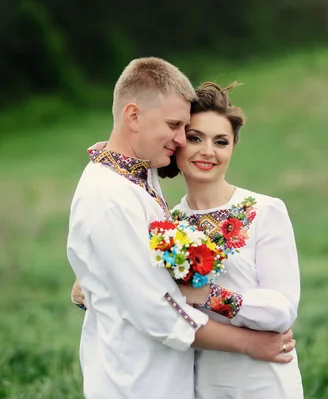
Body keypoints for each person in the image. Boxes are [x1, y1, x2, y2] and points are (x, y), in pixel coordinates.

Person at [66, 57, 296, 399]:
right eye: (186, 132)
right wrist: (250, 343)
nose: (181, 141)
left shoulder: (141, 180)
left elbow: (283, 307)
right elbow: (157, 309)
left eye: (221, 141)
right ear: (132, 116)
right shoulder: (118, 197)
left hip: (245, 380)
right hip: (139, 381)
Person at [157, 81, 304, 398]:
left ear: (232, 148)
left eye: (221, 142)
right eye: (195, 138)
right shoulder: (167, 225)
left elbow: (282, 309)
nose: (207, 151)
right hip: (199, 381)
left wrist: (208, 295)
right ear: (178, 142)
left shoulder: (264, 211)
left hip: (263, 378)